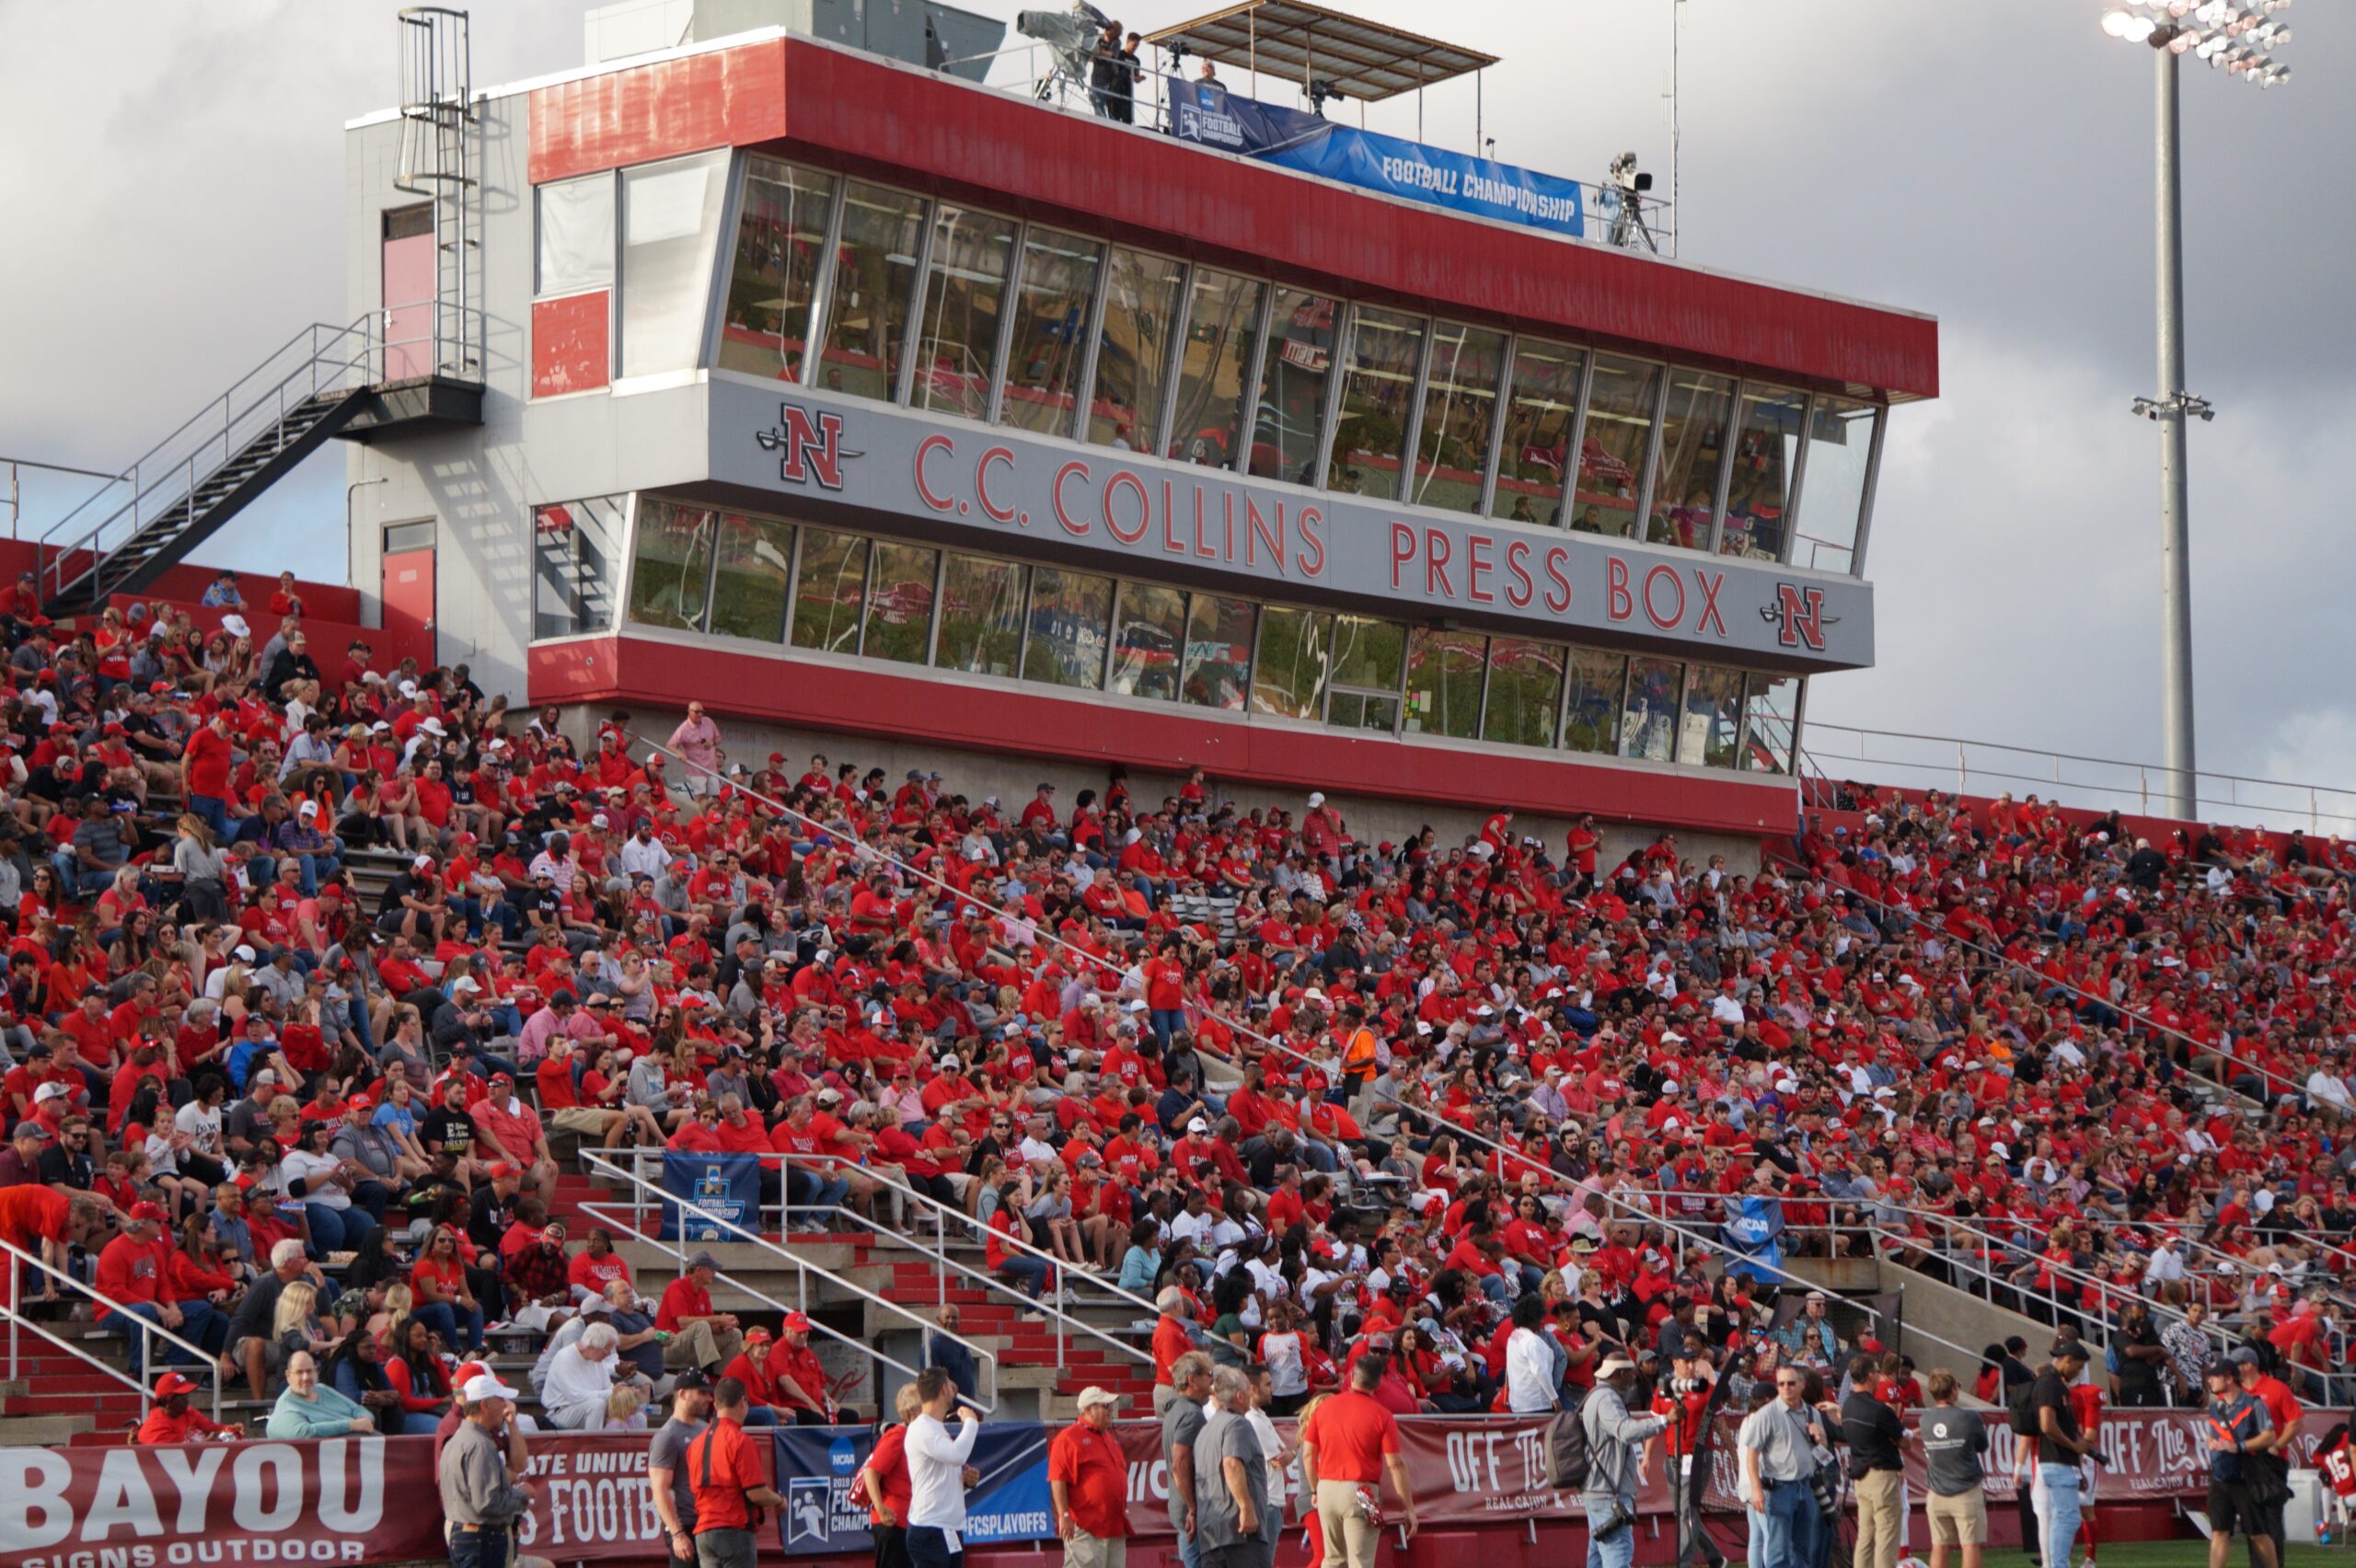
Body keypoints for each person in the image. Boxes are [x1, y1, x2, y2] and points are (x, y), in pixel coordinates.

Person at [1298, 1353, 1416, 1568]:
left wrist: (1315, 1490)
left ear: (1352, 1378)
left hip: (1326, 1490)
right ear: (1378, 1383)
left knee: (1332, 1560)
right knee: (1360, 1561)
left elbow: (1308, 1454)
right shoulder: (1382, 1415)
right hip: (1362, 1491)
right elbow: (1395, 1464)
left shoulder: (1323, 1408)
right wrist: (1408, 1507)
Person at [440, 1371, 538, 1568]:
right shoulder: (480, 1445)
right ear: (485, 1405)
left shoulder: (457, 1439)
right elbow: (486, 1503)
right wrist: (521, 1496)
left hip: (467, 1535)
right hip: (482, 1539)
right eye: (500, 1399)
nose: (505, 1405)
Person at [1579, 1353, 1667, 1568]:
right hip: (1609, 1492)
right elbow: (1625, 1431)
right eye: (1631, 1373)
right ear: (1619, 1373)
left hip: (1599, 1488)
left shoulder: (1594, 1395)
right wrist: (1665, 1420)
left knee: (1598, 1558)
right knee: (1617, 1558)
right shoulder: (1607, 1399)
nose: (1634, 1378)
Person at [687, 1376, 784, 1568]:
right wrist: (779, 1501)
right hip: (733, 1529)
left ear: (715, 1403)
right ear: (743, 1401)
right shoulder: (741, 1441)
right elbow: (756, 1492)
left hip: (703, 1531)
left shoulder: (696, 1443)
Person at [1644, 1336, 1721, 1568]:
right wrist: (1647, 1457)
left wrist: (1733, 1454)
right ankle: (1715, 1556)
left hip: (1698, 1457)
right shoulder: (1663, 1390)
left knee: (1687, 1510)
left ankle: (1683, 1562)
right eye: (1686, 1361)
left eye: (1693, 1361)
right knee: (1682, 1512)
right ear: (1675, 1362)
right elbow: (1655, 1425)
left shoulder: (1706, 1389)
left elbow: (1720, 1424)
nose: (1690, 1366)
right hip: (1673, 1458)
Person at [1738, 1364, 1824, 1568]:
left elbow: (1822, 1451)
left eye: (1791, 1383)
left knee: (1802, 1549)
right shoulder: (1766, 1415)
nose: (1786, 1388)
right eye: (1781, 1384)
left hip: (1806, 1485)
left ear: (1802, 1385)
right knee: (1778, 1549)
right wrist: (1757, 1489)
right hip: (1779, 1487)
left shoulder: (1812, 1414)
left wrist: (1820, 1438)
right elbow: (1752, 1453)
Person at [2028, 1341, 2098, 1568]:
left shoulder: (2053, 1383)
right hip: (2057, 1462)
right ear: (2067, 1359)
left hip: (2059, 1462)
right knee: (2067, 1518)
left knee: (2061, 1518)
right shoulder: (2050, 1384)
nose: (2078, 1372)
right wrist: (2073, 1445)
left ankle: (2056, 1564)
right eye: (2077, 1367)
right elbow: (2047, 1425)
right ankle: (2058, 1564)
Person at [2202, 1363, 2279, 1568]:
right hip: (2220, 1476)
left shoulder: (2254, 1405)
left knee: (2257, 1533)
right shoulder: (2215, 1407)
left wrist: (2240, 1446)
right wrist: (2211, 1443)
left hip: (2245, 1476)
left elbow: (2269, 1436)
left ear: (2229, 1378)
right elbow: (2211, 1434)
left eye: (2214, 1376)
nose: (2210, 1380)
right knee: (2219, 1531)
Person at [904, 1366, 981, 1568]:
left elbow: (938, 1474)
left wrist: (964, 1481)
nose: (954, 1391)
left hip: (948, 1528)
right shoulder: (922, 1428)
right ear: (943, 1390)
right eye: (949, 1386)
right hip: (930, 1528)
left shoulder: (935, 1427)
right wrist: (971, 1422)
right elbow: (957, 1454)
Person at [1051, 1386, 1132, 1568]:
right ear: (1088, 1409)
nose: (1110, 1410)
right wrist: (1064, 1514)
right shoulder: (1068, 1438)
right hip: (1086, 1527)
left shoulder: (1108, 1437)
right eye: (1105, 1406)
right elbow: (1058, 1478)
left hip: (1113, 1525)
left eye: (1110, 1406)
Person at [1195, 1366, 1269, 1568]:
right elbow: (1231, 1463)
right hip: (1240, 1533)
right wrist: (1246, 1508)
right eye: (1248, 1390)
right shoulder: (1237, 1424)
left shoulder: (1206, 1430)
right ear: (1239, 1396)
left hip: (1212, 1532)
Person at [1842, 1353, 1906, 1568]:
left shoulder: (1848, 1405)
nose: (1880, 1376)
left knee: (1866, 1538)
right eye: (1877, 1372)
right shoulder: (1879, 1409)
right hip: (1882, 1477)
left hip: (1862, 1476)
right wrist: (1905, 1437)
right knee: (1887, 1536)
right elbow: (1903, 1440)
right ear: (1870, 1376)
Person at [2236, 1349, 2298, 1568]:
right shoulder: (2237, 1392)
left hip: (2271, 1461)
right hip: (2245, 1460)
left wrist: (2278, 1445)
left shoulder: (2275, 1388)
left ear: (2248, 1365)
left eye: (2237, 1365)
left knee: (2271, 1519)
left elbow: (2295, 1420)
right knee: (2252, 1522)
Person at [1920, 1369, 1988, 1568]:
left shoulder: (1925, 1419)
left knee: (1939, 1546)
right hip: (1966, 1490)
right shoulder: (1969, 1417)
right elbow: (1982, 1445)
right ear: (1952, 1391)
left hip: (1935, 1492)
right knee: (1970, 1546)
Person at [649, 1372, 713, 1568]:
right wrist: (676, 1533)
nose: (709, 1399)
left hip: (708, 1522)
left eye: (709, 1394)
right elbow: (660, 1489)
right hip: (685, 1524)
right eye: (702, 1393)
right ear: (683, 1394)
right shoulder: (667, 1436)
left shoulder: (705, 1429)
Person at [860, 1383, 926, 1568]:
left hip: (910, 1520)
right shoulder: (898, 1436)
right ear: (914, 1410)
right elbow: (871, 1471)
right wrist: (880, 1508)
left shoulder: (917, 1436)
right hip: (894, 1521)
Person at [1161, 1352, 1214, 1568]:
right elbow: (1180, 1464)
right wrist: (1193, 1508)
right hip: (1193, 1512)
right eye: (1208, 1374)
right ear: (1193, 1379)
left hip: (1185, 1508)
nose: (1212, 1380)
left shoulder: (1175, 1410)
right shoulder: (1191, 1415)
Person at [267, 1349, 377, 1437]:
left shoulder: (322, 1389)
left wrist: (366, 1419)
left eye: (309, 1371)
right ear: (288, 1376)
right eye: (299, 1372)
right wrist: (351, 1425)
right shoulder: (288, 1406)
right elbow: (304, 1433)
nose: (305, 1378)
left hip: (364, 1440)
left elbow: (356, 1409)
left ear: (316, 1371)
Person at [136, 1369, 240, 1444]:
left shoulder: (188, 1412)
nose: (187, 1400)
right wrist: (206, 1446)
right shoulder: (155, 1428)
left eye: (187, 1395)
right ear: (167, 1401)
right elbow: (176, 1461)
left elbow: (214, 1428)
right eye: (182, 1397)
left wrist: (233, 1429)